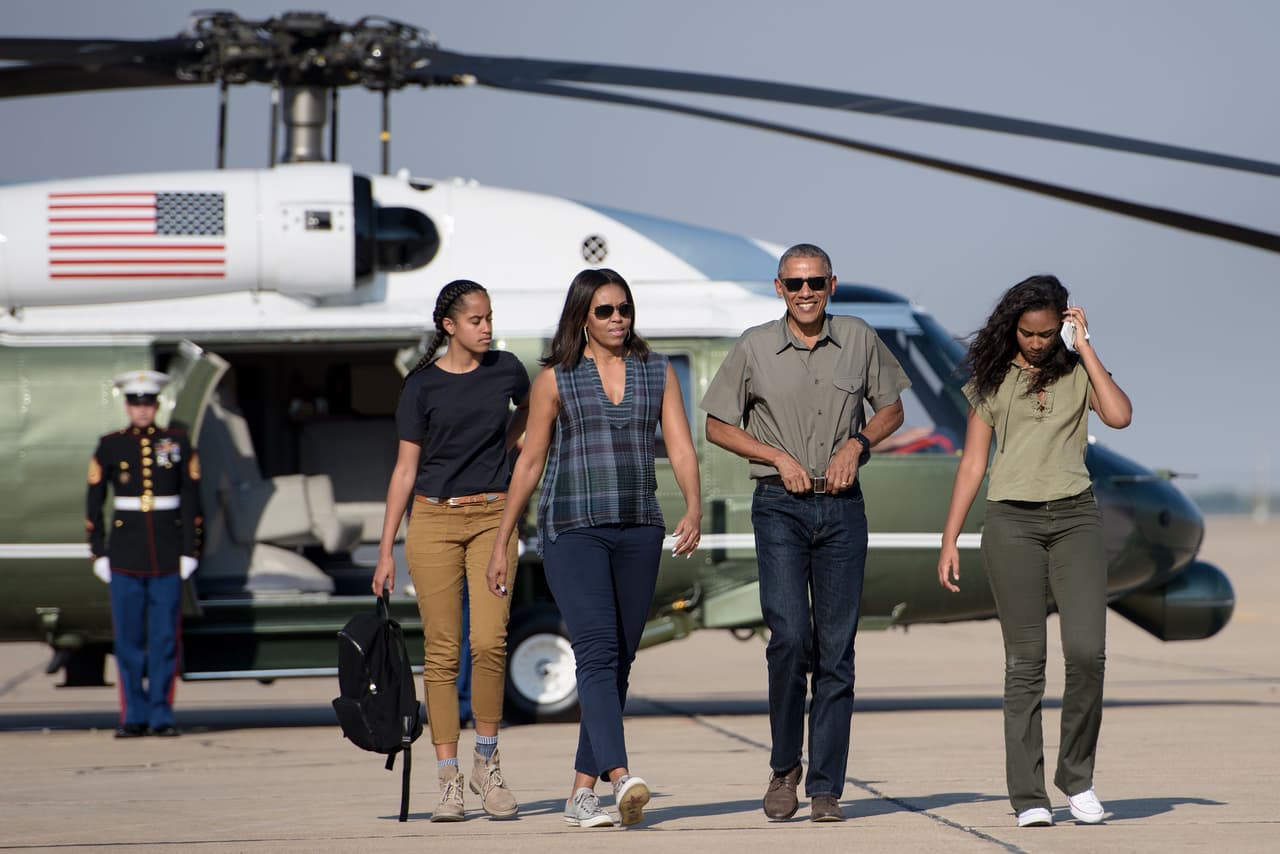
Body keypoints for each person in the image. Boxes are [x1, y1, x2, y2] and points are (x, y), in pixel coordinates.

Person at [485, 268, 701, 829]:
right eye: (605, 310)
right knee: (598, 652)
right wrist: (504, 536)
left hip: (639, 527)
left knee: (619, 659)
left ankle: (581, 794)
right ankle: (619, 775)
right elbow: (529, 460)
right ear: (583, 316)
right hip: (572, 527)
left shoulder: (656, 371)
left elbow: (679, 445)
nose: (617, 318)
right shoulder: (556, 379)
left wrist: (693, 506)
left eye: (624, 308)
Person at [701, 243, 909, 823]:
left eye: (816, 282)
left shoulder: (860, 337)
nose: (806, 293)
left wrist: (858, 443)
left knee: (838, 651)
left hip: (843, 509)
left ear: (832, 284)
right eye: (795, 284)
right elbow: (717, 424)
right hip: (779, 506)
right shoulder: (755, 346)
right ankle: (783, 768)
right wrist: (775, 456)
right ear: (779, 289)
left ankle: (825, 787)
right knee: (790, 638)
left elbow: (891, 409)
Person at [936, 274, 1132, 828]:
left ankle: (1078, 780)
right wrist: (950, 537)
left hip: (1075, 520)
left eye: (1048, 333)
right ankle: (1028, 796)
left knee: (1088, 654)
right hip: (1011, 524)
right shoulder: (991, 378)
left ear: (1063, 325)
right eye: (1028, 332)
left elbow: (1119, 415)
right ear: (1013, 327)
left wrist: (1086, 347)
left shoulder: (1079, 371)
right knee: (1026, 663)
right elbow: (974, 462)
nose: (1037, 342)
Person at [371, 279, 530, 822]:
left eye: (489, 318)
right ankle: (448, 780)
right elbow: (404, 468)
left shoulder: (507, 370)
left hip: (493, 517)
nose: (487, 328)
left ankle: (487, 763)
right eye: (476, 320)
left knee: (489, 642)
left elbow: (533, 420)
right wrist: (385, 550)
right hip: (432, 519)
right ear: (449, 326)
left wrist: (511, 451)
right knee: (442, 653)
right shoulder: (421, 388)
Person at [86, 370, 202, 738]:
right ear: (127, 406)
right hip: (124, 555)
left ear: (156, 405)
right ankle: (132, 715)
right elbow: (94, 501)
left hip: (167, 554)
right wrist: (98, 551)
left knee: (165, 640)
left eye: (148, 403)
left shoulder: (177, 442)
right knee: (129, 642)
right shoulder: (110, 445)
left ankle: (161, 715)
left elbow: (192, 499)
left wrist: (190, 549)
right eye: (136, 404)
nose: (142, 410)